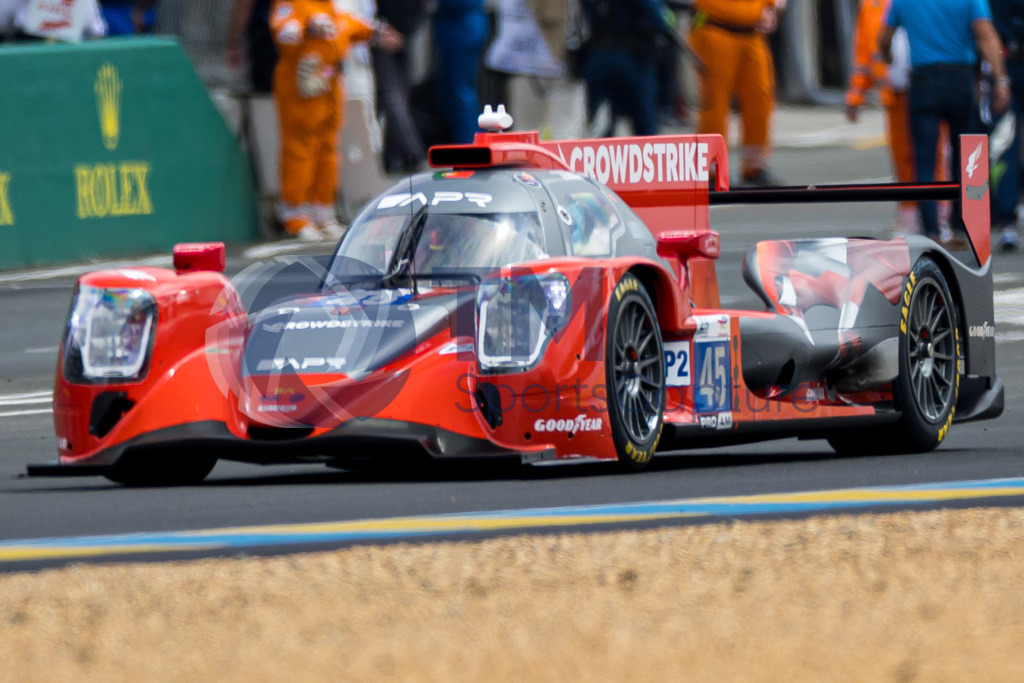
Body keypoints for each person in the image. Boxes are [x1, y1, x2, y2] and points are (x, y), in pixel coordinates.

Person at [269, 0, 401, 241]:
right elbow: (283, 31)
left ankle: (322, 213)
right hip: (302, 83)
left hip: (330, 84)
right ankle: (296, 216)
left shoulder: (330, 8)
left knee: (328, 150)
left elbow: (350, 25)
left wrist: (376, 32)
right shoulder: (293, 4)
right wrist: (307, 28)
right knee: (300, 149)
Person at [880, 0, 1011, 244]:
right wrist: (1000, 80)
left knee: (924, 159)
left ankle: (931, 229)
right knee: (966, 158)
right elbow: (986, 36)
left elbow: (884, 39)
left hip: (923, 80)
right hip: (960, 78)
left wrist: (888, 58)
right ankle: (961, 226)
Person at [846, 0, 952, 236]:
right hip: (895, 91)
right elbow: (864, 50)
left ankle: (940, 217)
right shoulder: (872, 5)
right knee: (902, 156)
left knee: (935, 155)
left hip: (928, 85)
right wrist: (857, 92)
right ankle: (909, 217)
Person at [689, 0, 783, 186]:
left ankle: (754, 167)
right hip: (715, 28)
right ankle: (712, 171)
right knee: (715, 104)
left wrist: (770, 8)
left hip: (751, 32)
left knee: (760, 98)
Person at [582, 0, 672, 137]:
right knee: (645, 133)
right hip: (632, 60)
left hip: (597, 58)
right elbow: (659, 20)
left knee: (598, 131)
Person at [986, 0, 1024, 251]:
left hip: (1006, 65)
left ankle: (1008, 218)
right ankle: (1008, 217)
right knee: (1006, 144)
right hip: (1007, 64)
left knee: (1006, 144)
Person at [374, 0, 427, 173]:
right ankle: (412, 152)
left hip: (397, 30)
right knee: (393, 96)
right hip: (382, 32)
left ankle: (395, 155)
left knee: (400, 94)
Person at [433, 0, 489, 144]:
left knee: (460, 91)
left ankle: (470, 144)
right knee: (449, 90)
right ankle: (463, 141)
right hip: (454, 23)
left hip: (462, 23)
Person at [226, 0, 278, 93]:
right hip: (295, 34)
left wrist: (234, 42)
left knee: (266, 90)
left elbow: (244, 4)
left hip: (266, 34)